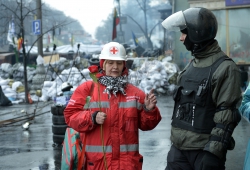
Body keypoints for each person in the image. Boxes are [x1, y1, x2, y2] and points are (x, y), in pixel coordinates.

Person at [161, 7, 242, 170]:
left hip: (203, 152)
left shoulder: (225, 68)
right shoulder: (191, 66)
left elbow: (226, 116)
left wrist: (212, 153)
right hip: (179, 151)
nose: (181, 38)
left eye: (184, 33)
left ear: (196, 33)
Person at [64, 41, 162, 170]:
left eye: (119, 63)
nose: (115, 66)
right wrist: (91, 117)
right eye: (110, 62)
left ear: (123, 65)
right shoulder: (88, 89)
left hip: (127, 166)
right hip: (98, 165)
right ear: (103, 65)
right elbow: (70, 116)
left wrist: (149, 110)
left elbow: (146, 125)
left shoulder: (136, 93)